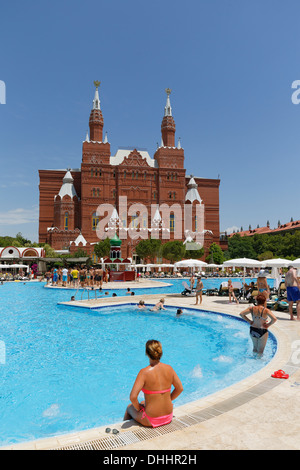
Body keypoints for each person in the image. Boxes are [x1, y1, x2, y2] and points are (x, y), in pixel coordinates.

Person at [123, 340, 183, 428]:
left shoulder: (144, 372)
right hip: (168, 416)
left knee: (129, 407)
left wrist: (138, 408)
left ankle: (125, 436)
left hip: (151, 420)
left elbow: (133, 397)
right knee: (144, 402)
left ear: (147, 353)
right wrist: (169, 399)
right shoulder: (169, 368)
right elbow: (180, 388)